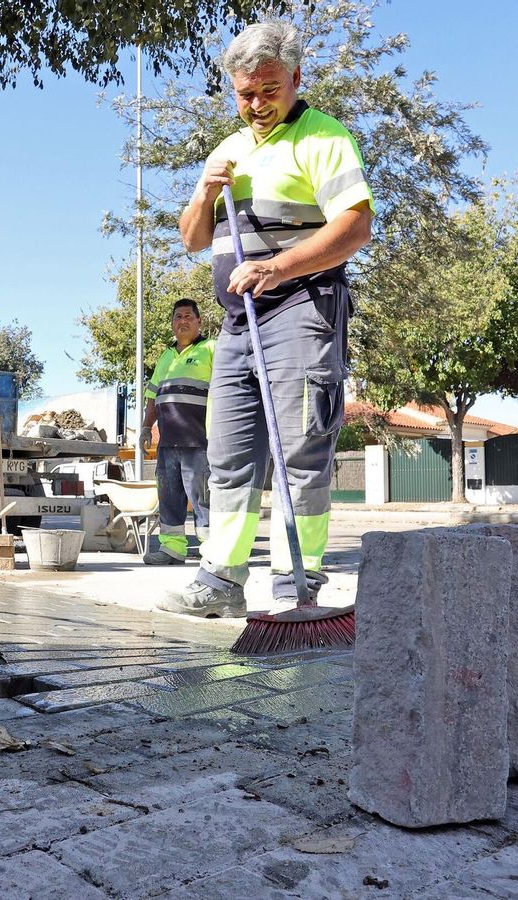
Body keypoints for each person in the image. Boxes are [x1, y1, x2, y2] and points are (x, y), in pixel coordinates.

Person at [159, 21, 374, 618]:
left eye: (269, 89)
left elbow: (354, 227)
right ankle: (220, 581)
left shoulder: (323, 138)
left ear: (296, 79)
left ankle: (295, 585)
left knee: (299, 454)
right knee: (226, 455)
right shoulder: (227, 150)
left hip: (304, 312)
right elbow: (192, 239)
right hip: (236, 323)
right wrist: (204, 192)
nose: (257, 104)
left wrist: (276, 268)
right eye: (245, 93)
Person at [138, 299, 214, 565]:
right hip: (168, 443)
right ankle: (172, 548)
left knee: (203, 497)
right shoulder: (166, 356)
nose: (183, 321)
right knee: (169, 497)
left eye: (188, 316)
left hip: (200, 442)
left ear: (199, 321)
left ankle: (212, 551)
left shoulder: (211, 349)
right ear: (172, 323)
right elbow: (152, 395)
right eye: (178, 317)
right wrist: (146, 427)